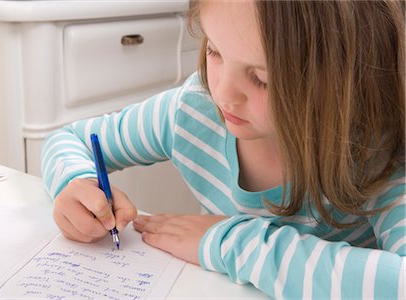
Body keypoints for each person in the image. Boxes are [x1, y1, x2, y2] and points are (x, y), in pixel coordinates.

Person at [41, 0, 405, 298]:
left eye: (261, 78)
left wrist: (230, 241)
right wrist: (76, 184)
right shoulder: (192, 109)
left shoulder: (377, 153)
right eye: (215, 51)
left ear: (343, 81)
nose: (224, 93)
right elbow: (70, 140)